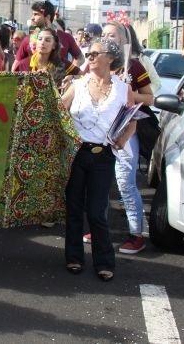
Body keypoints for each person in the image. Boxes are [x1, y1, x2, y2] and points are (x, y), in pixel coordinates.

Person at [61, 38, 135, 282]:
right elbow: (59, 112)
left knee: (96, 211)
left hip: (103, 156)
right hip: (76, 153)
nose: (89, 57)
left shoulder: (123, 89)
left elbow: (132, 119)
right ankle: (73, 256)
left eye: (95, 54)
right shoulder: (78, 85)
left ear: (110, 58)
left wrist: (122, 140)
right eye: (88, 54)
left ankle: (104, 260)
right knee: (73, 207)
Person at [80, 21, 152, 254]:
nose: (108, 38)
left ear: (123, 40)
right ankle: (99, 228)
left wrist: (128, 90)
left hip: (123, 133)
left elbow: (150, 98)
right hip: (96, 135)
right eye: (105, 35)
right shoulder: (92, 65)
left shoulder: (135, 67)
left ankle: (136, 233)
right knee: (101, 184)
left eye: (113, 35)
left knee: (124, 182)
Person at [12, 1, 85, 72]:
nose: (32, 18)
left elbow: (80, 58)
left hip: (58, 82)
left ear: (47, 17)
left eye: (36, 14)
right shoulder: (28, 39)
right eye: (33, 14)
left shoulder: (65, 37)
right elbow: (17, 63)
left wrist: (70, 74)